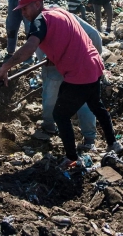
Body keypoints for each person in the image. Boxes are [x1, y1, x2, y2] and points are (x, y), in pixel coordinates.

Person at [0, 0, 123, 168]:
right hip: (94, 66)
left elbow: (29, 48)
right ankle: (113, 143)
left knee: (60, 115)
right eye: (21, 10)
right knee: (97, 106)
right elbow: (68, 39)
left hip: (78, 73)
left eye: (25, 9)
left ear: (37, 4)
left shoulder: (39, 21)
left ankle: (71, 157)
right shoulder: (60, 12)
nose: (23, 13)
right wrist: (53, 59)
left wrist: (5, 67)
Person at [34, 14, 102, 152]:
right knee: (84, 101)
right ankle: (89, 139)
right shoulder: (69, 18)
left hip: (63, 67)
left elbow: (40, 54)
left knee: (51, 94)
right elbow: (95, 35)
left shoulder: (39, 25)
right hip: (79, 66)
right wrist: (94, 60)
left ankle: (49, 125)